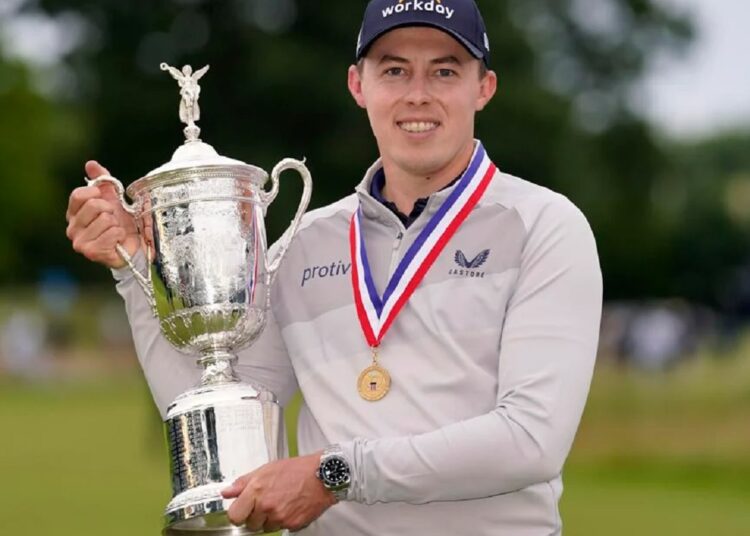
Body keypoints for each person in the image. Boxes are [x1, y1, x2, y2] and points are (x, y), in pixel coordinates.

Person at [65, 0, 602, 534]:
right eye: (394, 70)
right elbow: (224, 423)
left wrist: (332, 475)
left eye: (445, 70)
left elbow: (531, 441)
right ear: (358, 84)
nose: (418, 94)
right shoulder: (305, 242)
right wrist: (135, 269)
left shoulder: (545, 226)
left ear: (483, 87)